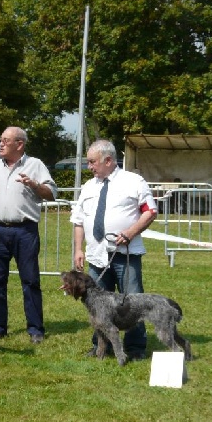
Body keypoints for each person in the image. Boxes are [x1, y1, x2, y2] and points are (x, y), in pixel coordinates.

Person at [70, 139, 158, 360]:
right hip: (96, 256)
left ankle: (136, 348)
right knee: (96, 304)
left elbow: (150, 211)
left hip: (125, 256)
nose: (89, 167)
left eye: (92, 162)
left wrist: (130, 233)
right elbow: (79, 220)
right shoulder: (89, 186)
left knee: (133, 302)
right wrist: (78, 249)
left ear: (108, 160)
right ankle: (100, 346)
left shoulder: (134, 182)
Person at [0, 126, 57, 344]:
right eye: (0, 140)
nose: (0, 144)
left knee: (30, 280)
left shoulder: (35, 165)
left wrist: (34, 184)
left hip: (25, 230)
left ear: (19, 144)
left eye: (5, 140)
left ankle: (35, 329)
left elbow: (51, 194)